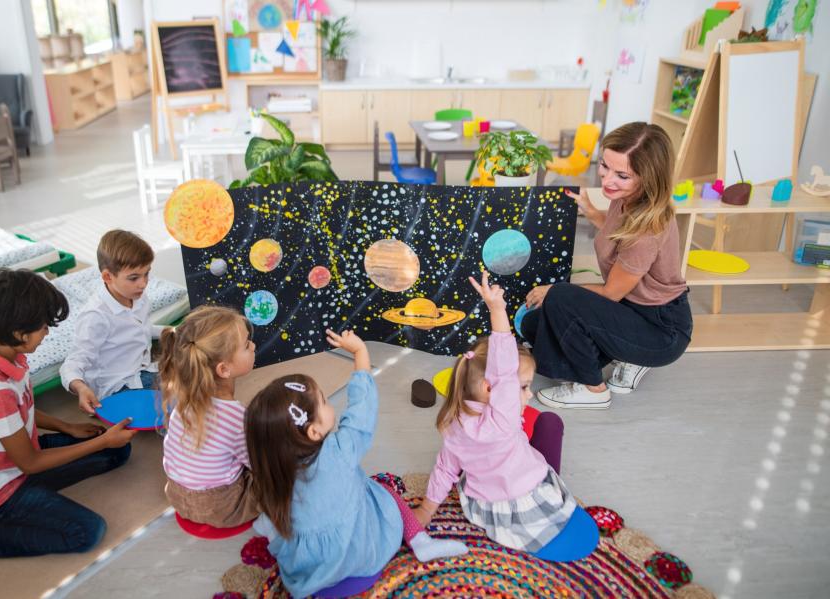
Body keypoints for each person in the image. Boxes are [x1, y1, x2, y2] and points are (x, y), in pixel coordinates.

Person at [245, 329, 467, 599]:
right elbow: (362, 408)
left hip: (311, 576)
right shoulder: (340, 451)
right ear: (313, 432)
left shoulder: (271, 472)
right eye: (324, 402)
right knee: (382, 491)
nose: (329, 406)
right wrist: (360, 352)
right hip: (362, 558)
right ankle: (421, 540)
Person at [0, 269, 135, 558]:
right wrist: (101, 443)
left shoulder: (9, 356)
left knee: (118, 450)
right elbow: (30, 463)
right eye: (44, 326)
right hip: (2, 490)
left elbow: (24, 409)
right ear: (19, 333)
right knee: (88, 531)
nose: (47, 332)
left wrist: (68, 428)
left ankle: (42, 495)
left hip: (21, 457)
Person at [521, 122, 692, 409]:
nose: (607, 180)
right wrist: (591, 211)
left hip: (660, 327)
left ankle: (594, 389)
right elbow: (616, 234)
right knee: (532, 324)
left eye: (622, 175)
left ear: (649, 178)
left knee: (560, 297)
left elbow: (611, 292)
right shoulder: (626, 198)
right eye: (604, 166)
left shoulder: (647, 230)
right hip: (631, 308)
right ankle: (626, 354)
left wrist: (552, 289)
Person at [414, 272, 575, 554]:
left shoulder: (453, 422)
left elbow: (445, 468)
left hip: (485, 506)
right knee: (549, 422)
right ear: (492, 389)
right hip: (528, 500)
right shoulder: (504, 417)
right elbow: (503, 367)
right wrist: (497, 310)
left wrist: (427, 509)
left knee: (530, 419)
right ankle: (550, 480)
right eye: (523, 386)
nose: (530, 393)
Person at [158, 305, 261, 527]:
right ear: (223, 370)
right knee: (283, 470)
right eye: (246, 345)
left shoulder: (182, 403)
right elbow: (260, 464)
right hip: (222, 508)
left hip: (176, 496)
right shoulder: (236, 419)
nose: (253, 345)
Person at [61, 230, 164, 415]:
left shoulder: (137, 296)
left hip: (142, 370)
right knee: (177, 401)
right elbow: (73, 363)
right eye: (134, 278)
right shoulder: (95, 316)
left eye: (146, 274)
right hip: (117, 386)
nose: (143, 283)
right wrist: (81, 388)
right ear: (108, 277)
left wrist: (170, 331)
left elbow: (140, 329)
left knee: (194, 372)